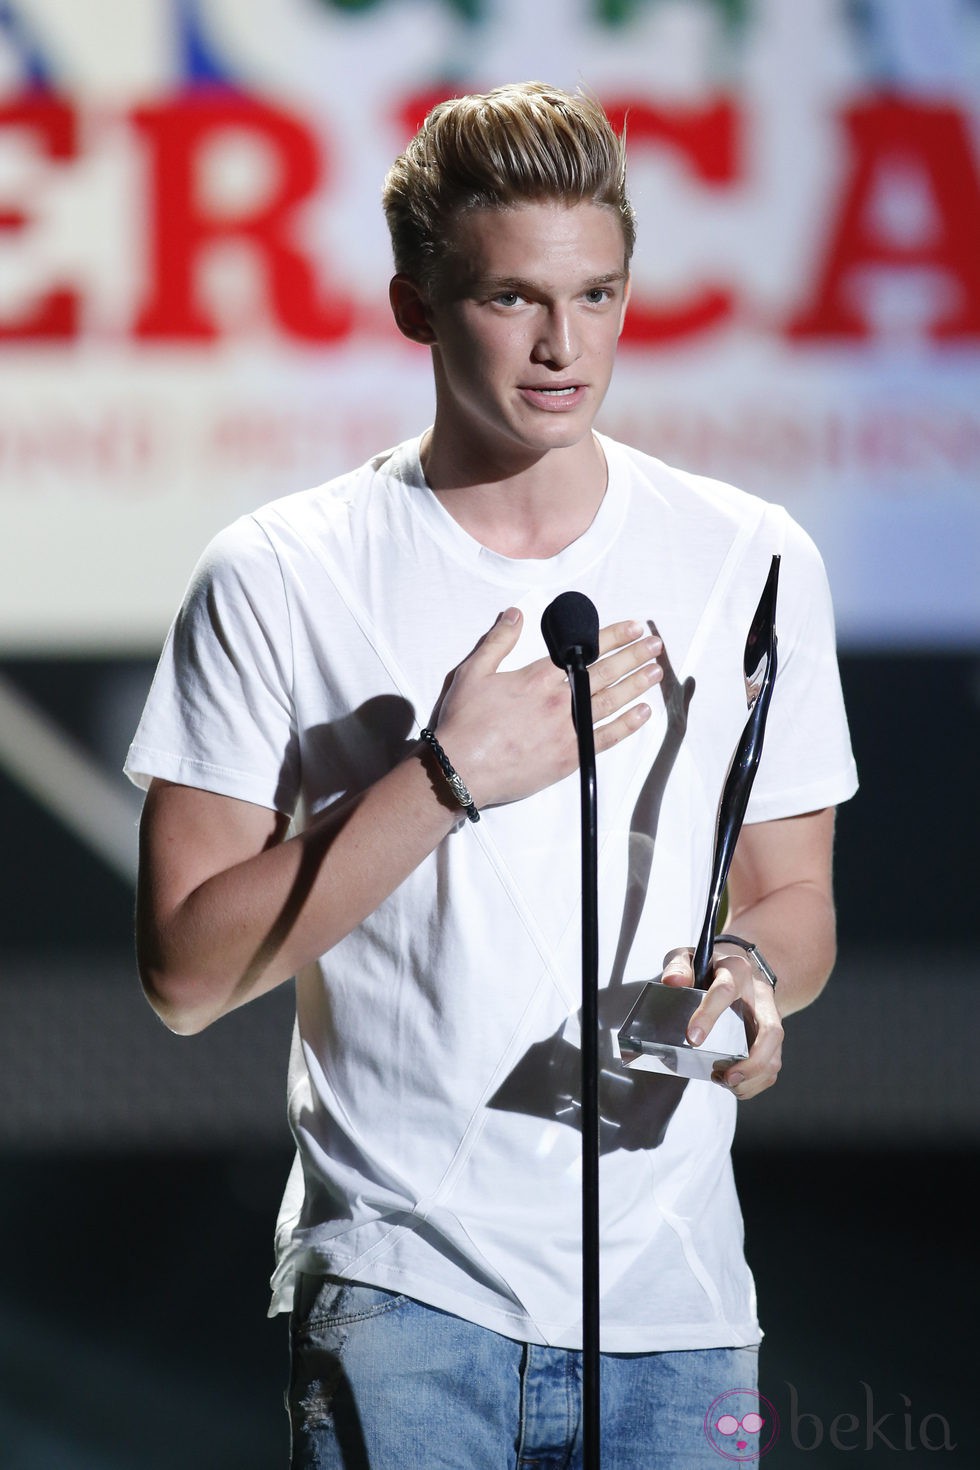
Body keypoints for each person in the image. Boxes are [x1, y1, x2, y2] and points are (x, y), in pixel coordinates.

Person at [126, 82, 857, 1468]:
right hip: (404, 1298)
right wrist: (445, 775)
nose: (563, 346)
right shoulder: (281, 572)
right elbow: (182, 972)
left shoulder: (752, 556)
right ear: (416, 304)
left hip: (681, 1306)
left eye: (598, 295)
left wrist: (751, 973)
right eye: (513, 298)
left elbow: (797, 893)